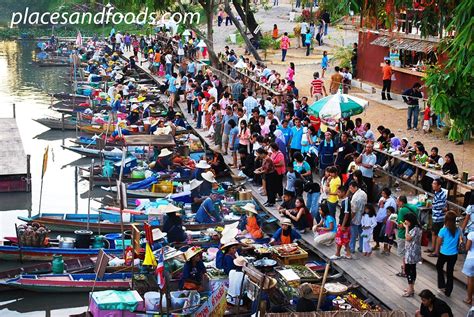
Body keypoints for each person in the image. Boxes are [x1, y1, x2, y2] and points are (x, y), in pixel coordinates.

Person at [435, 211, 461, 297]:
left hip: (444, 253)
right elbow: (458, 242)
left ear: (446, 220)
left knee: (439, 266)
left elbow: (438, 242)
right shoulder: (458, 230)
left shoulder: (443, 230)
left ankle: (442, 285)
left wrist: (436, 252)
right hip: (453, 254)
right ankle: (448, 291)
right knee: (450, 273)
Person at [396, 195, 419, 277]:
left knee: (403, 255)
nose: (396, 203)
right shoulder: (414, 207)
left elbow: (401, 225)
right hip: (413, 233)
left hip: (403, 234)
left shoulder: (402, 210)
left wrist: (396, 223)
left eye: (397, 201)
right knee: (408, 253)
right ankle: (406, 270)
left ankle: (405, 271)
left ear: (401, 202)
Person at [403, 212, 422, 297]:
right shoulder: (417, 228)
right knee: (412, 269)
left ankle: (410, 290)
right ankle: (411, 288)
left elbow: (408, 238)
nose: (405, 222)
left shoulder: (415, 229)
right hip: (414, 252)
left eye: (406, 221)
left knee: (408, 270)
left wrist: (406, 228)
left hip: (411, 253)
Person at [427, 179, 448, 257]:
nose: (432, 185)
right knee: (433, 233)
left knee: (438, 234)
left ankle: (436, 252)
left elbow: (442, 205)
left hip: (439, 217)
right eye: (432, 183)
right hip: (435, 216)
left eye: (434, 184)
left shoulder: (442, 194)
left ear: (439, 186)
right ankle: (433, 248)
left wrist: (432, 205)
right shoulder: (436, 192)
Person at [331, 186, 352, 260]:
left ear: (343, 192)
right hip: (344, 224)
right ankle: (348, 254)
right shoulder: (344, 201)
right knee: (345, 240)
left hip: (344, 225)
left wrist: (342, 226)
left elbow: (346, 214)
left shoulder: (346, 202)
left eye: (339, 192)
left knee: (339, 239)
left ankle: (337, 254)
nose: (337, 193)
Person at [349, 181, 367, 254]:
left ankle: (351, 248)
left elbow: (353, 211)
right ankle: (362, 247)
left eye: (351, 188)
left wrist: (350, 219)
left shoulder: (355, 197)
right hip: (362, 216)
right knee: (361, 233)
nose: (350, 189)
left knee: (353, 234)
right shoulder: (364, 193)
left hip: (355, 217)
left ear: (355, 187)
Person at [463, 228, 474, 305]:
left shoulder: (471, 234)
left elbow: (467, 248)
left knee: (470, 280)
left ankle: (469, 299)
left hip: (471, 259)